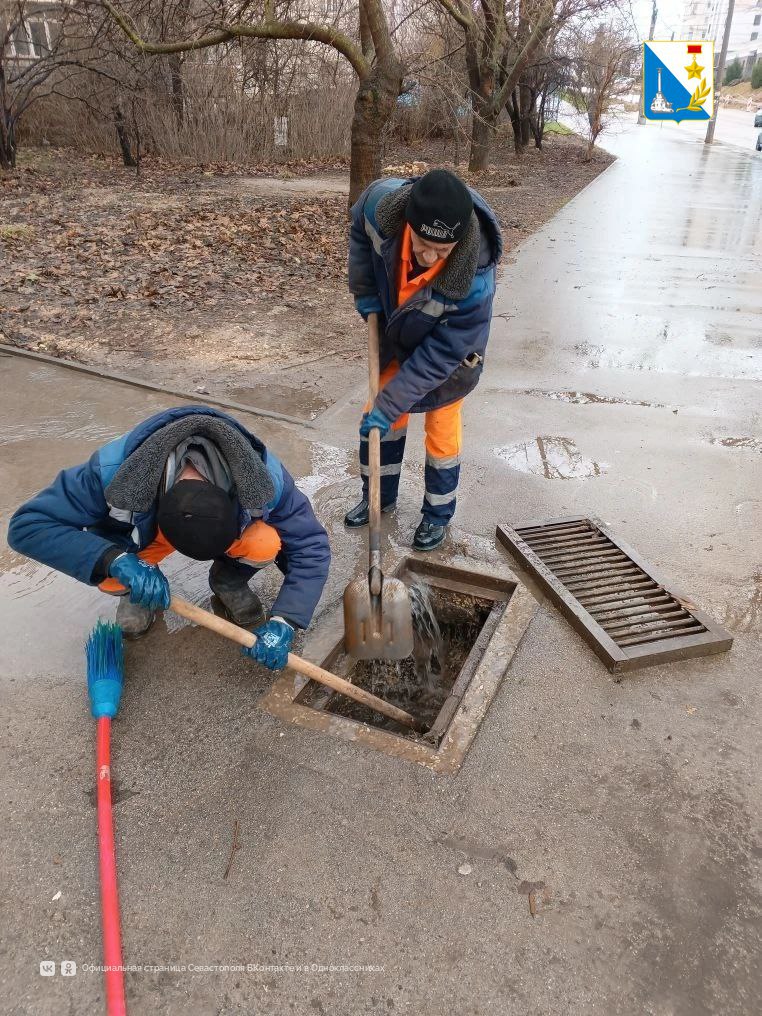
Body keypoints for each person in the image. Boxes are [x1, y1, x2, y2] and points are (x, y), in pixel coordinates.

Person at [8, 406, 330, 671]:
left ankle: (228, 579)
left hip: (224, 532)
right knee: (108, 573)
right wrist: (113, 560)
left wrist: (286, 619)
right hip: (144, 541)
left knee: (264, 541)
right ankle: (137, 588)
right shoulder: (111, 471)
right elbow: (27, 526)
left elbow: (311, 546)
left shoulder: (263, 478)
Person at [345, 167, 502, 551]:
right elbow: (360, 238)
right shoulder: (380, 207)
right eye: (421, 244)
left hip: (448, 357)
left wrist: (392, 401)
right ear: (408, 223)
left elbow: (441, 355)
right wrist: (365, 290)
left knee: (442, 427)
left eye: (442, 252)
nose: (429, 257)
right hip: (397, 330)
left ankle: (436, 514)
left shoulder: (475, 277)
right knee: (380, 419)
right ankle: (378, 497)